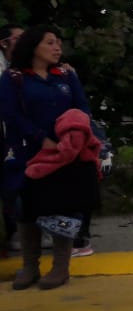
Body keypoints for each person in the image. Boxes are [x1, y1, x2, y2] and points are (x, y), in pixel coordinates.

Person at [0, 26, 96, 289]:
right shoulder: (14, 77)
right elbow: (10, 114)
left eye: (59, 43)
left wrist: (72, 138)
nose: (57, 48)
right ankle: (30, 267)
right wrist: (41, 139)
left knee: (62, 206)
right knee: (26, 207)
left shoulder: (66, 75)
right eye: (51, 43)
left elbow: (81, 108)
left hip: (65, 153)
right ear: (33, 47)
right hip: (27, 153)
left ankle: (60, 267)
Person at [0, 25, 24, 251]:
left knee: (15, 182)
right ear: (4, 42)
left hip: (17, 134)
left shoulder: (25, 66)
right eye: (19, 38)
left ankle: (18, 231)